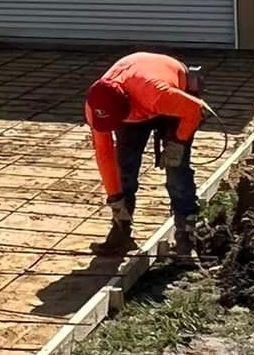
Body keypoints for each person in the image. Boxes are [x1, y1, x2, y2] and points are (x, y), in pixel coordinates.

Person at [84, 51, 207, 262]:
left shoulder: (158, 94)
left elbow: (195, 110)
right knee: (124, 166)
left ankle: (186, 236)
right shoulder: (96, 107)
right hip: (135, 100)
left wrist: (177, 143)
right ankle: (121, 229)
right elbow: (105, 155)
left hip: (173, 98)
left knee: (177, 170)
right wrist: (116, 199)